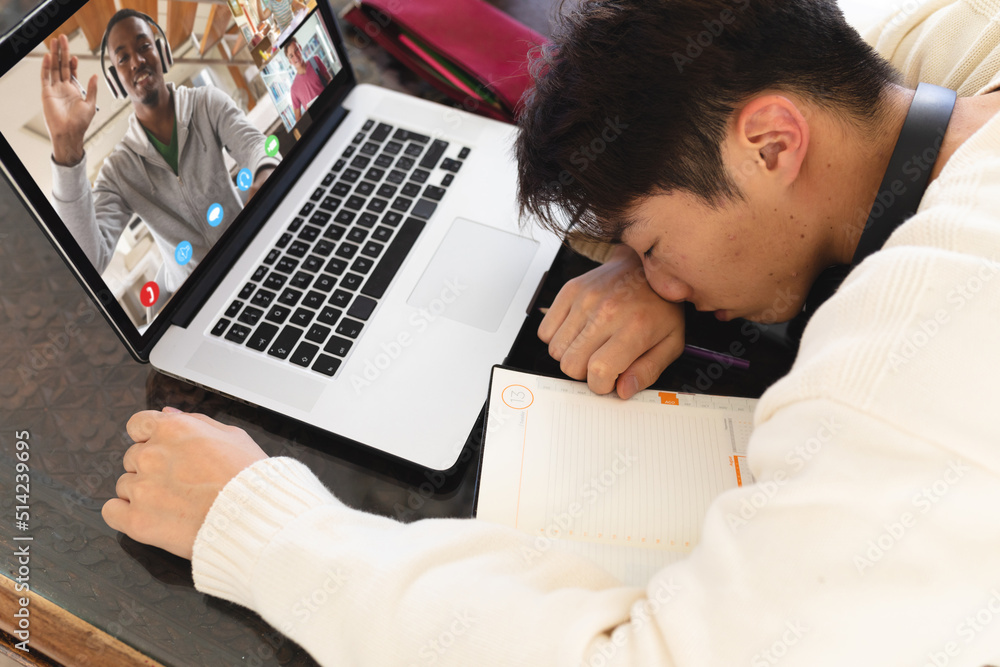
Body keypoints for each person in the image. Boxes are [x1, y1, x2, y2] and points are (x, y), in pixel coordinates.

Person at [102, 1, 1000, 665]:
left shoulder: (909, 356)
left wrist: (265, 531)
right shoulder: (955, 59)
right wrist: (677, 258)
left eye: (649, 244)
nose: (651, 275)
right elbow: (840, 71)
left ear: (771, 146)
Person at [43, 10, 279, 292]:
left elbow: (254, 145)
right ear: (115, 81)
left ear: (162, 52)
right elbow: (89, 261)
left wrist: (265, 174)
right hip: (199, 299)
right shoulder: (118, 172)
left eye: (144, 46)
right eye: (123, 58)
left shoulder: (207, 102)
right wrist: (67, 151)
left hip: (251, 256)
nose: (137, 61)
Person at [284, 37, 331, 122]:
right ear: (290, 61)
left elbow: (329, 81)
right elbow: (298, 119)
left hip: (330, 106)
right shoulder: (294, 89)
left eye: (296, 50)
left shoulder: (315, 61)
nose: (295, 56)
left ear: (300, 48)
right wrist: (308, 113)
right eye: (291, 56)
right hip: (318, 120)